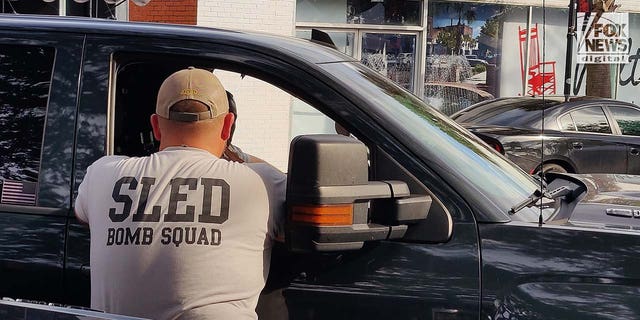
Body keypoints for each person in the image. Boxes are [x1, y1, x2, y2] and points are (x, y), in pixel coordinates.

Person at [75, 67, 285, 320]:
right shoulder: (261, 182)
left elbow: (83, 215)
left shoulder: (102, 174)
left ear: (156, 125)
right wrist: (237, 155)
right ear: (228, 125)